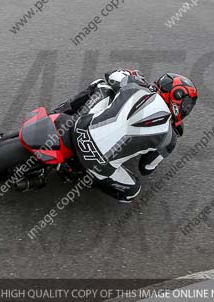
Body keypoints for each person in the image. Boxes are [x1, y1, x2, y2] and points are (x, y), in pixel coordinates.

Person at [53, 69, 198, 202]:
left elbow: (110, 75)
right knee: (132, 191)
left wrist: (133, 74)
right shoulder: (169, 138)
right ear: (176, 98)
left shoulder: (136, 86)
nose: (185, 109)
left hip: (79, 130)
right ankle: (78, 174)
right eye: (186, 105)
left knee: (102, 86)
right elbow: (146, 168)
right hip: (99, 166)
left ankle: (58, 114)